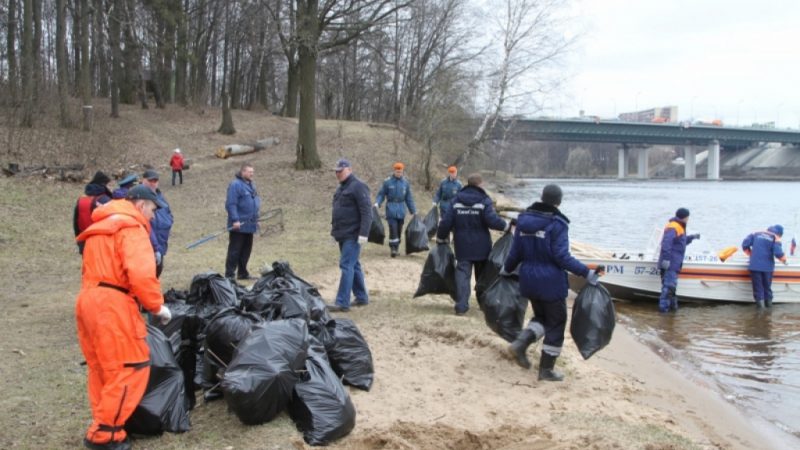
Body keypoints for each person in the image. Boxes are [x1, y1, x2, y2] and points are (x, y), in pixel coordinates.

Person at [75, 185, 172, 450]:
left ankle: (106, 422)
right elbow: (141, 273)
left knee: (103, 369)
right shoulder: (131, 228)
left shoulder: (103, 226)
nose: (153, 216)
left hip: (89, 300)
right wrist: (157, 307)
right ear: (141, 205)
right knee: (132, 366)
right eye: (152, 210)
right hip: (113, 304)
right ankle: (104, 434)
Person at [503, 184, 602, 382]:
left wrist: (506, 269)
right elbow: (562, 257)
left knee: (542, 316)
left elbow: (515, 253)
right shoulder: (557, 224)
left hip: (529, 279)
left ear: (542, 197)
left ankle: (521, 343)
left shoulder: (524, 221)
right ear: (558, 201)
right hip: (550, 282)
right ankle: (546, 370)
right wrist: (586, 273)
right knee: (556, 322)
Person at [436, 173, 511, 316]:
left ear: (468, 184)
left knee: (463, 275)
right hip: (482, 245)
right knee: (482, 276)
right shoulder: (484, 200)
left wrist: (440, 237)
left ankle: (461, 306)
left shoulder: (456, 200)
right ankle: (484, 304)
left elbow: (446, 222)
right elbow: (492, 221)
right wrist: (506, 227)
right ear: (480, 184)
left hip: (462, 245)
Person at [329, 158, 372, 312]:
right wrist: (334, 233)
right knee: (354, 265)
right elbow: (338, 212)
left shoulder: (358, 186)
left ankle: (342, 302)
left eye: (341, 171)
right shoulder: (341, 188)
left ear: (349, 170)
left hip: (353, 235)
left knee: (346, 265)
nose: (338, 174)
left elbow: (367, 211)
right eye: (336, 171)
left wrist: (364, 234)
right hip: (343, 234)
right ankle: (361, 297)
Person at [657, 207, 699, 313]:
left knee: (671, 290)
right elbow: (666, 244)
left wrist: (691, 237)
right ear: (686, 217)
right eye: (688, 217)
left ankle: (672, 313)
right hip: (670, 263)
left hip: (674, 263)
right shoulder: (674, 227)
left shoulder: (679, 226)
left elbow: (680, 242)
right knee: (668, 289)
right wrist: (666, 260)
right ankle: (664, 314)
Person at [225, 163, 261, 280]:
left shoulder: (251, 185)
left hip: (250, 224)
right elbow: (231, 204)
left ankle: (242, 273)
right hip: (239, 225)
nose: (252, 174)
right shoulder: (235, 185)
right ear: (243, 172)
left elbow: (255, 202)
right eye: (250, 172)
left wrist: (257, 219)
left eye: (252, 172)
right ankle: (229, 275)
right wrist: (235, 220)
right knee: (235, 250)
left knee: (246, 250)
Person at [375, 162, 416, 257]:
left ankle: (396, 248)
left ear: (403, 172)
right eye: (397, 172)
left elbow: (409, 198)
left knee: (399, 229)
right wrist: (377, 203)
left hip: (401, 209)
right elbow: (381, 194)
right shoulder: (387, 182)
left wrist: (413, 211)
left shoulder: (405, 183)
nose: (399, 173)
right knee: (392, 228)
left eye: (400, 172)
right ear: (394, 171)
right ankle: (393, 248)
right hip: (391, 208)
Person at [742, 225, 787, 308]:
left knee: (758, 290)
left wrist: (751, 254)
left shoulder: (756, 233)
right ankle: (768, 311)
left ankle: (761, 313)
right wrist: (784, 260)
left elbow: (745, 244)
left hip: (754, 266)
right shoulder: (775, 237)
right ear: (779, 234)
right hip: (767, 268)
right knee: (767, 289)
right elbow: (778, 253)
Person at [141, 170, 173, 278]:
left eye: (155, 180)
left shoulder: (160, 196)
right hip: (147, 244)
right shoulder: (140, 196)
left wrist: (169, 222)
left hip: (161, 242)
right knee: (146, 274)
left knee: (157, 271)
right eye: (150, 180)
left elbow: (168, 212)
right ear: (143, 180)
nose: (153, 183)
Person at [73, 171, 113, 255]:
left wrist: (79, 240)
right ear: (103, 184)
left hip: (84, 241)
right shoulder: (105, 200)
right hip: (101, 243)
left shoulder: (81, 199)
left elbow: (75, 223)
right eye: (108, 184)